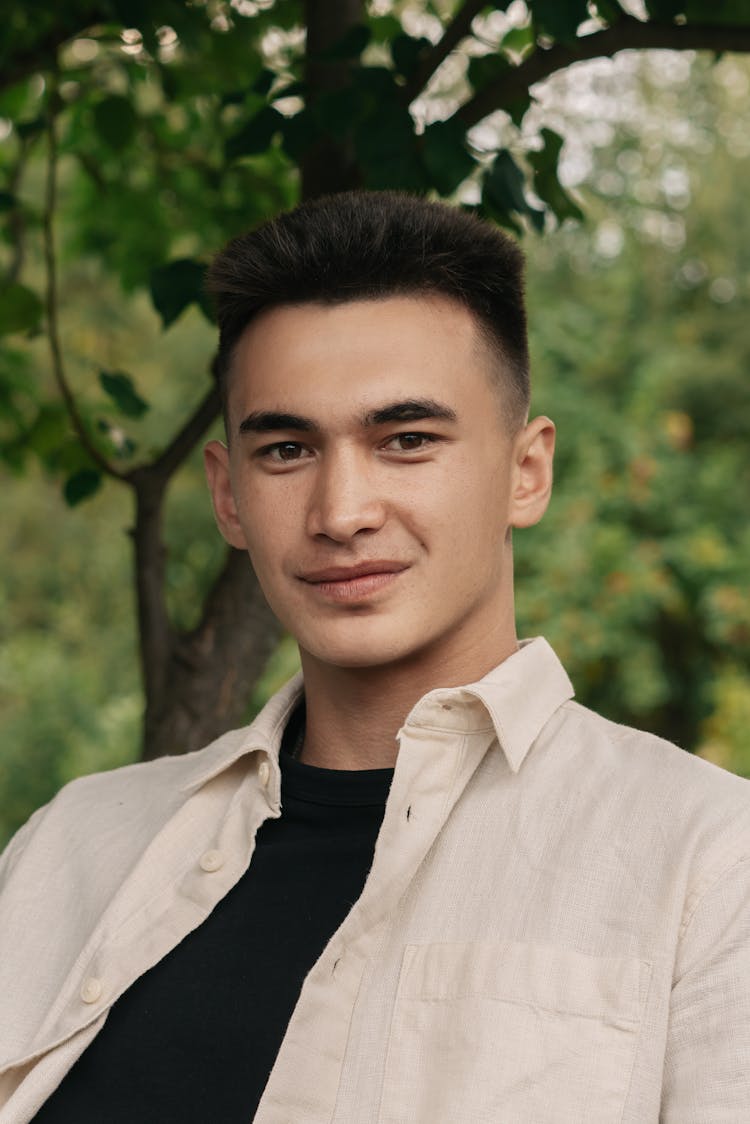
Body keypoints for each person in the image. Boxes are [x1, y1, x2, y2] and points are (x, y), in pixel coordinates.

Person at [1, 192, 749, 1124]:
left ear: (527, 471)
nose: (342, 511)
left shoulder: (709, 863)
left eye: (406, 441)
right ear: (227, 496)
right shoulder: (71, 846)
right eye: (285, 449)